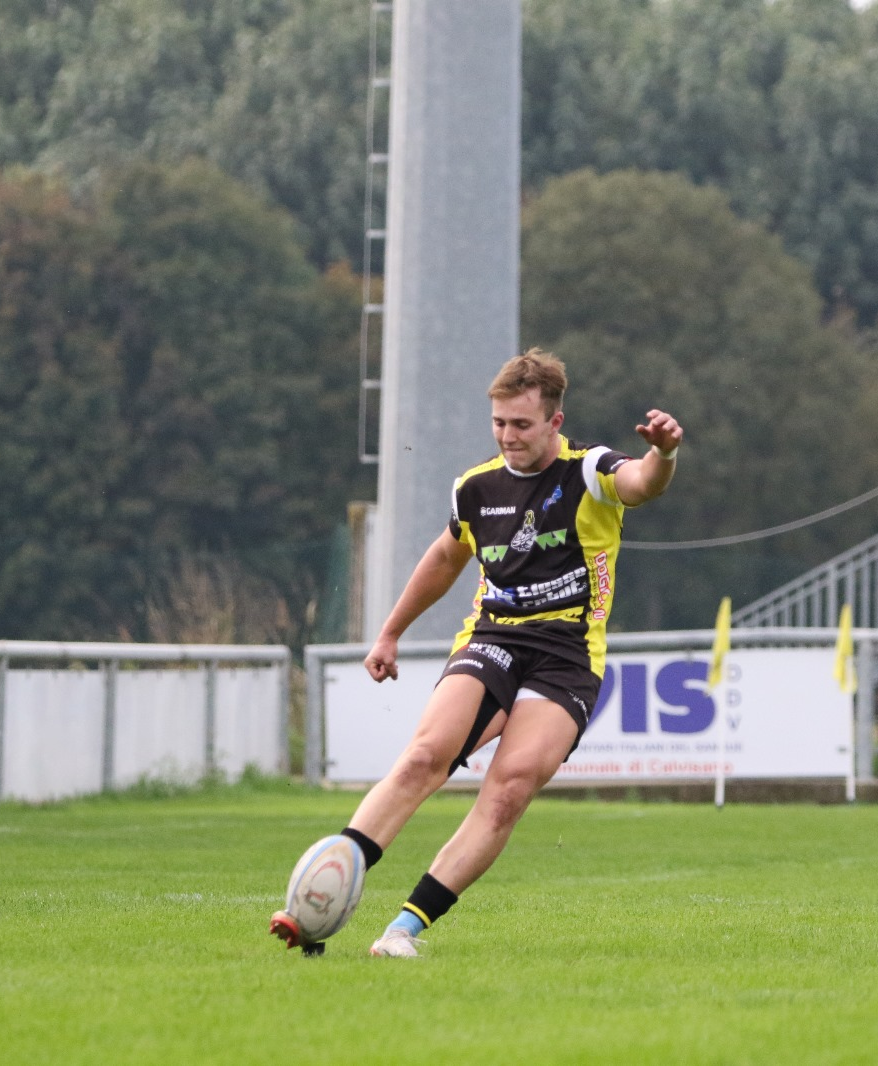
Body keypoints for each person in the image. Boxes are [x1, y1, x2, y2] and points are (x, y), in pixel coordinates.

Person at [270, 348, 683, 957]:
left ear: (554, 422)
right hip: (492, 639)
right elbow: (444, 558)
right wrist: (389, 632)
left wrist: (664, 453)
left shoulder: (589, 472)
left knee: (510, 787)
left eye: (521, 424)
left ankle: (404, 930)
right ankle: (322, 896)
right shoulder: (476, 488)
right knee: (423, 759)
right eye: (499, 423)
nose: (508, 436)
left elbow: (642, 484)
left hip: (567, 656)